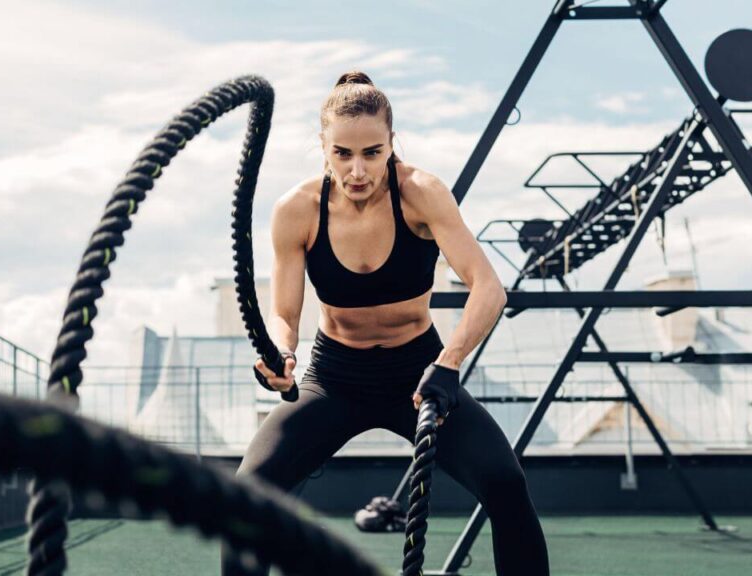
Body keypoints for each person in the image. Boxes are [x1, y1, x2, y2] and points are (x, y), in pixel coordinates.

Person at [221, 71, 549, 576]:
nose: (358, 170)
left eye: (373, 153)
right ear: (323, 147)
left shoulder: (422, 193)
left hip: (419, 376)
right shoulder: (297, 210)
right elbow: (285, 314)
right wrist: (281, 353)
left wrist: (449, 362)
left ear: (392, 144)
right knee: (248, 494)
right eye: (343, 154)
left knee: (506, 485)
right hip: (334, 379)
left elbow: (489, 287)